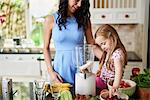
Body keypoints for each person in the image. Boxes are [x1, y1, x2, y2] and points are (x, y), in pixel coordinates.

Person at [43, 0, 94, 86]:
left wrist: (109, 56)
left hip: (81, 70)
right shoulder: (50, 19)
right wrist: (51, 72)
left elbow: (92, 45)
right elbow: (45, 48)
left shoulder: (84, 20)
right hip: (59, 71)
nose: (79, 4)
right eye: (77, 0)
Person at [93, 24, 127, 96]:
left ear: (112, 37)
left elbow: (119, 72)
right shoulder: (109, 51)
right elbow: (107, 67)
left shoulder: (117, 54)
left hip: (109, 85)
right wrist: (100, 71)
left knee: (90, 82)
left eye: (103, 43)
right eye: (100, 45)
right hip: (103, 81)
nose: (102, 47)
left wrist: (114, 87)